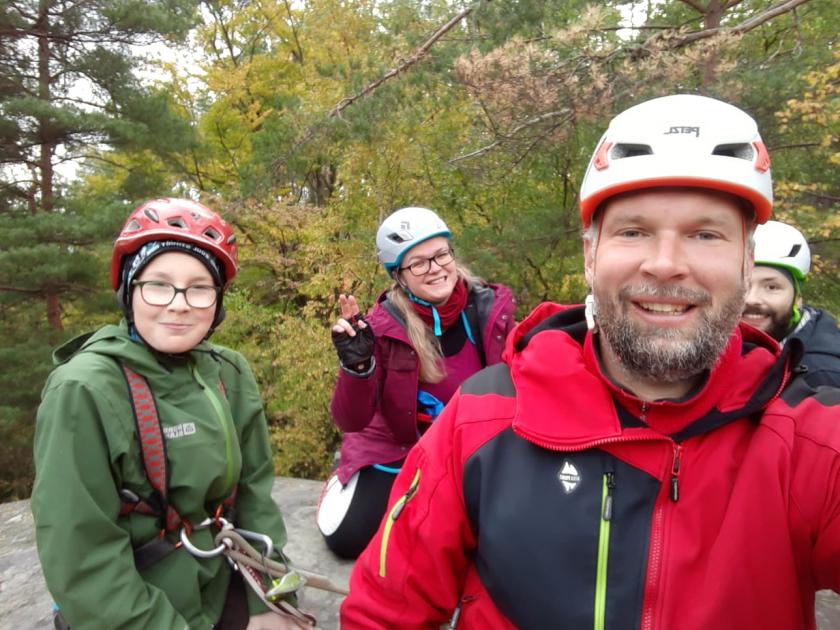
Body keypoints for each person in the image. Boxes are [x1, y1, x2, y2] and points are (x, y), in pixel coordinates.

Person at [341, 95, 840, 628]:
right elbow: (383, 609)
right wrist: (359, 370)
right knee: (347, 533)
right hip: (406, 452)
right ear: (589, 255)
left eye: (705, 234)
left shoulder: (810, 442)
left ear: (746, 261)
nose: (665, 264)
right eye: (633, 231)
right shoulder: (475, 417)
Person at [31, 198, 309, 629]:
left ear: (217, 302)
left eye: (199, 288)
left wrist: (271, 598)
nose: (179, 304)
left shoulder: (229, 373)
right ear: (129, 289)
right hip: (132, 603)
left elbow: (254, 498)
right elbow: (82, 557)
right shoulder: (84, 390)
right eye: (158, 285)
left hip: (218, 577)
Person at [316, 206, 516, 559]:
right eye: (419, 263)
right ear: (399, 276)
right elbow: (351, 420)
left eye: (441, 255)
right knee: (346, 537)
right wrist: (357, 365)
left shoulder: (488, 310)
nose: (436, 268)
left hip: (470, 447)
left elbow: (520, 378)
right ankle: (343, 477)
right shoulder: (382, 327)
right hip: (398, 446)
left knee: (492, 541)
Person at [742, 220, 840, 388]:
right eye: (742, 286)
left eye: (772, 287)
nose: (751, 299)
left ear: (798, 297)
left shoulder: (821, 376)